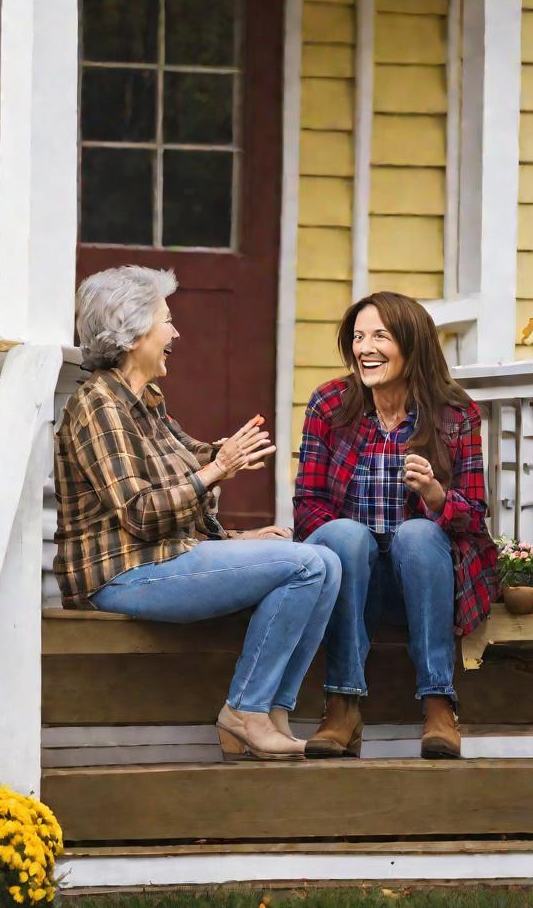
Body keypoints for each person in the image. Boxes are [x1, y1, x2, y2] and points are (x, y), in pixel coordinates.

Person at [53, 265, 341, 761]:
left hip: (164, 557)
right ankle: (244, 710)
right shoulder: (98, 406)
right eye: (167, 321)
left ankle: (270, 712)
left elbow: (194, 462)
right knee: (305, 564)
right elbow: (141, 513)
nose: (175, 333)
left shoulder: (146, 401)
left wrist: (233, 529)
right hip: (122, 572)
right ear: (132, 329)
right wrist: (216, 470)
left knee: (324, 559)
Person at [293, 291, 497, 759]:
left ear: (412, 343)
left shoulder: (454, 412)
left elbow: (473, 518)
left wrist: (435, 496)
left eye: (380, 336)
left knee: (418, 533)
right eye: (359, 337)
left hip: (424, 579)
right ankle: (342, 705)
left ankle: (438, 705)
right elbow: (307, 508)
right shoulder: (329, 404)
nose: (365, 348)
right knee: (347, 534)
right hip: (351, 576)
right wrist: (353, 543)